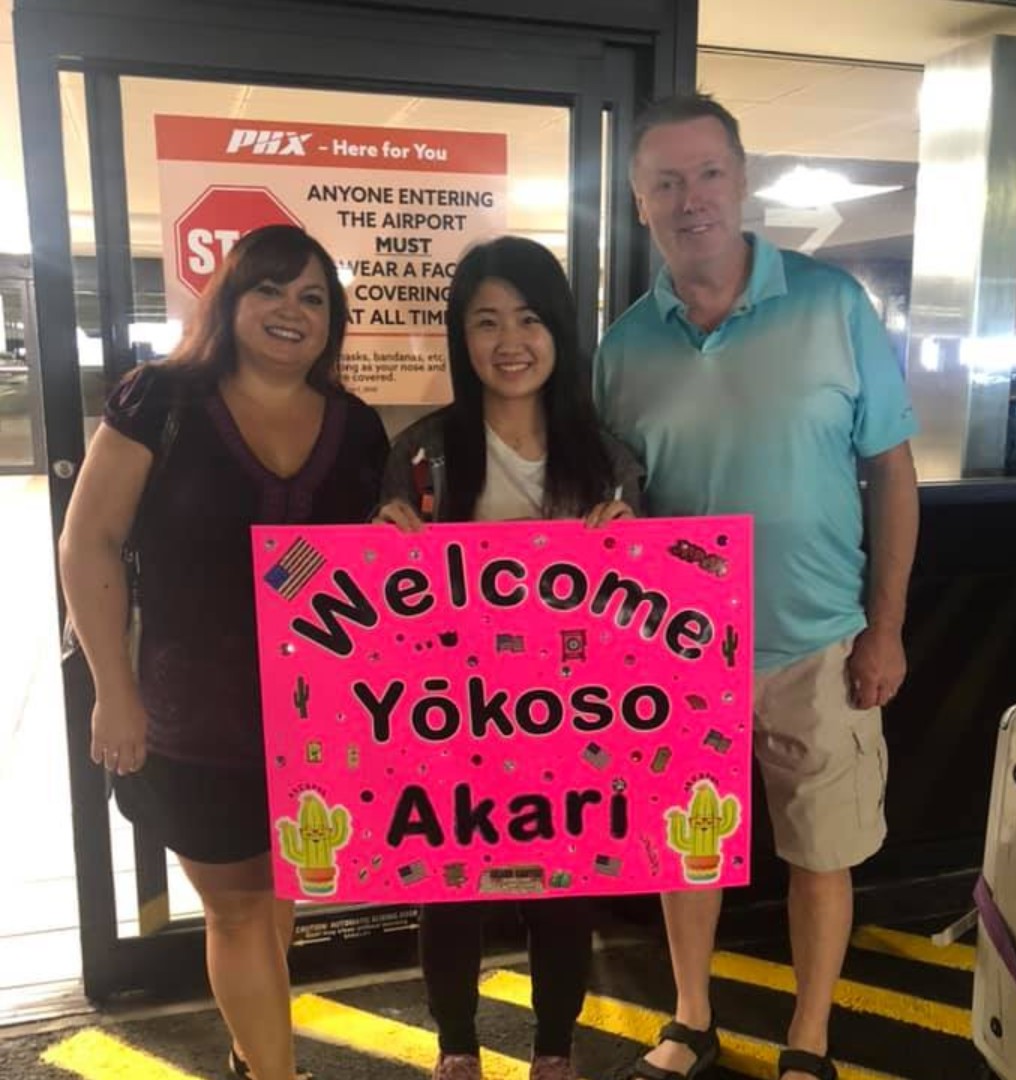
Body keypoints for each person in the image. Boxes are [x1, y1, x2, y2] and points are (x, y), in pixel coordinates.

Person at [593, 94, 920, 1080]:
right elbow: (614, 499)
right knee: (688, 850)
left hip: (819, 644)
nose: (689, 198)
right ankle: (692, 1017)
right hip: (678, 656)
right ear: (638, 201)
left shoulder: (831, 305)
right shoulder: (622, 348)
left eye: (707, 174)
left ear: (741, 181)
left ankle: (809, 1040)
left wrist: (887, 629)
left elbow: (892, 474)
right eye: (665, 181)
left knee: (822, 855)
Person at [59, 224, 389, 1080]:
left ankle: (253, 1056)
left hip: (315, 718)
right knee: (239, 908)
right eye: (271, 289)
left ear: (333, 321)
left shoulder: (357, 428)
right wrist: (113, 690)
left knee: (275, 898)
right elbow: (89, 541)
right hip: (190, 714)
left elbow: (354, 571)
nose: (292, 310)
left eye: (313, 297)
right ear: (231, 301)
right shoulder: (159, 400)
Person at [376, 235, 643, 1080]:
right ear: (460, 337)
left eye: (528, 318)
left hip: (572, 718)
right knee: (448, 888)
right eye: (484, 321)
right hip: (450, 715)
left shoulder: (607, 460)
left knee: (564, 890)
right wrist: (381, 546)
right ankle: (457, 1046)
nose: (508, 341)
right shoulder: (421, 455)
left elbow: (648, 608)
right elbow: (379, 607)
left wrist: (637, 549)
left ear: (559, 330)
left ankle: (555, 1050)